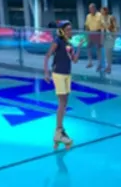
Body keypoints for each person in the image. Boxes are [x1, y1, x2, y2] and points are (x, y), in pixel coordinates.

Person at [44, 21, 80, 150]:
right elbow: (47, 56)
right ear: (62, 31)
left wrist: (79, 47)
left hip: (67, 74)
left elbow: (74, 60)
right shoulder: (57, 42)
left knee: (65, 103)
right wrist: (46, 72)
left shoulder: (69, 44)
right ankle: (59, 130)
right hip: (58, 74)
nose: (70, 31)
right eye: (68, 29)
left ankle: (59, 131)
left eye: (71, 29)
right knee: (62, 102)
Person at [84, 3, 103, 71]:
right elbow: (86, 25)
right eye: (89, 9)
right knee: (88, 47)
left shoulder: (100, 15)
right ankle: (90, 62)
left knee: (98, 49)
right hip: (90, 33)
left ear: (95, 8)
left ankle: (100, 64)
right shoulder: (88, 16)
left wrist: (102, 35)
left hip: (98, 33)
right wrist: (87, 34)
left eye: (91, 8)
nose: (90, 10)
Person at [100, 7, 117, 74]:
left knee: (109, 53)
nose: (101, 12)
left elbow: (115, 27)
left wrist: (114, 37)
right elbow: (102, 29)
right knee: (106, 53)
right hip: (105, 37)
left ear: (106, 11)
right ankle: (108, 66)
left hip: (110, 37)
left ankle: (109, 67)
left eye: (102, 11)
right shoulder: (101, 19)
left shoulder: (111, 17)